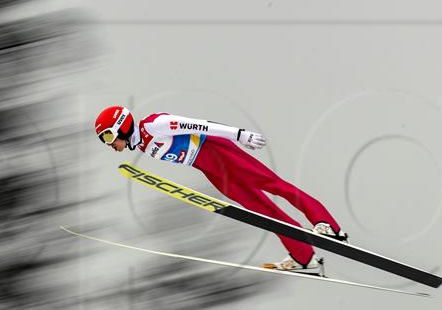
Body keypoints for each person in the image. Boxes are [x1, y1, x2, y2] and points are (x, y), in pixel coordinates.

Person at [94, 105, 348, 272]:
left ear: (121, 127)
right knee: (259, 209)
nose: (108, 144)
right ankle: (302, 254)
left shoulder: (154, 125)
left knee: (272, 185)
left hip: (217, 151)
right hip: (209, 168)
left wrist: (239, 135)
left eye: (108, 136)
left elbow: (199, 125)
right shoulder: (142, 145)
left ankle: (327, 225)